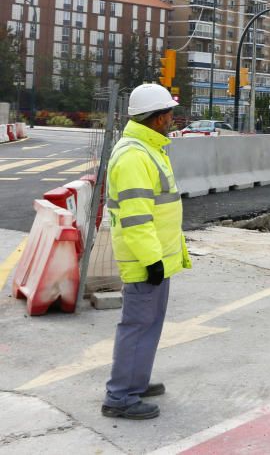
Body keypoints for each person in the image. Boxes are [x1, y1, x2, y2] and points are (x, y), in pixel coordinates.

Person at [102, 83, 191, 420]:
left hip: (158, 257)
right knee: (137, 325)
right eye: (169, 112)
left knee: (149, 323)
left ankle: (135, 381)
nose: (172, 118)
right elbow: (137, 218)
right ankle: (120, 396)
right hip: (147, 260)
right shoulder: (134, 156)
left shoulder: (149, 149)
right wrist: (152, 261)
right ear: (156, 119)